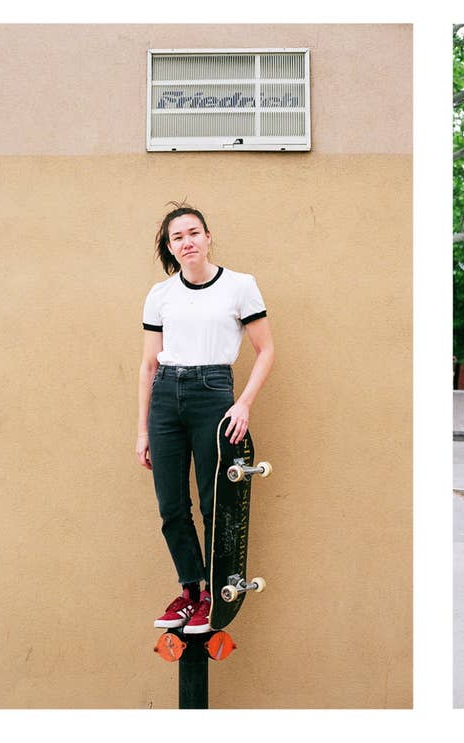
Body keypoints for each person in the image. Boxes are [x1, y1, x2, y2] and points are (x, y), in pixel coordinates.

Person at [137, 203, 275, 633]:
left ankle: (215, 594)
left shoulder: (239, 286)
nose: (187, 242)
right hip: (165, 398)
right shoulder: (160, 295)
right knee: (171, 506)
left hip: (214, 394)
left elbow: (266, 350)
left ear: (208, 237)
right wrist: (142, 429)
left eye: (193, 233)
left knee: (215, 501)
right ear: (170, 247)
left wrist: (245, 402)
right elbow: (147, 366)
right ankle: (191, 591)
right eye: (178, 237)